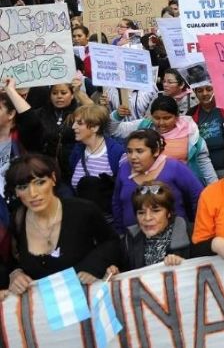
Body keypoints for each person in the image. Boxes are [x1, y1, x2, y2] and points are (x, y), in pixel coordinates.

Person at [5, 154, 119, 295]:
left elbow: (112, 242)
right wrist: (16, 274)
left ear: (53, 179)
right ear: (16, 192)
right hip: (44, 310)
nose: (33, 193)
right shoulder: (17, 219)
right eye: (23, 187)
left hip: (88, 300)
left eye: (40, 182)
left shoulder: (83, 210)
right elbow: (12, 261)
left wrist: (93, 267)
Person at [110, 95, 218, 185]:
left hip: (182, 187)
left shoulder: (191, 134)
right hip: (148, 189)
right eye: (156, 118)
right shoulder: (143, 126)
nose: (161, 123)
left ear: (177, 117)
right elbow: (113, 130)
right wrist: (117, 115)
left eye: (167, 118)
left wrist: (216, 190)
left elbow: (204, 164)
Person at [112, 130, 204, 233]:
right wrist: (120, 233)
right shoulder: (124, 169)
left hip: (175, 238)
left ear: (155, 151)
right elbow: (117, 204)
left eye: (139, 151)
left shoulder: (174, 167)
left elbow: (199, 197)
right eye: (129, 151)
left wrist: (199, 228)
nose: (133, 157)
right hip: (134, 241)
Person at [109, 180, 196, 272]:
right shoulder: (128, 240)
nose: (147, 218)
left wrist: (185, 265)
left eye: (156, 211)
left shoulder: (192, 234)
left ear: (169, 212)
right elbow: (125, 272)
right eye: (141, 213)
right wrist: (115, 274)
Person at [68, 105, 125, 219]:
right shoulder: (77, 150)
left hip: (108, 221)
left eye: (79, 123)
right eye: (74, 122)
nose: (73, 127)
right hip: (82, 219)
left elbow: (122, 189)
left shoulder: (116, 152)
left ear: (94, 127)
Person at [188, 84, 224, 178]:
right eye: (200, 91)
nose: (205, 93)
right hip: (209, 171)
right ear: (195, 93)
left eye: (209, 89)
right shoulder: (191, 114)